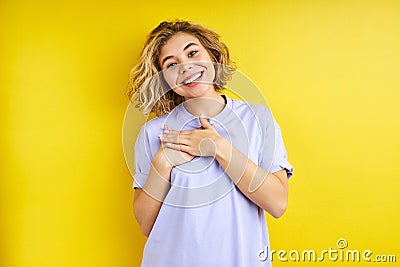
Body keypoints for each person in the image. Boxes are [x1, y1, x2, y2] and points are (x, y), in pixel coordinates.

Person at [126, 20, 294, 267]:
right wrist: (162, 164)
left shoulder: (257, 119)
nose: (186, 67)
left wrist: (220, 148)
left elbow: (278, 204)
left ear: (212, 54)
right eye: (171, 64)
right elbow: (146, 224)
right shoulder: (154, 133)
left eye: (192, 52)